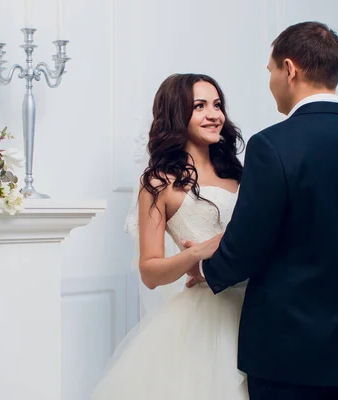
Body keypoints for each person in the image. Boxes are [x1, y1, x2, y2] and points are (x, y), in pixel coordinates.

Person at [184, 21, 338, 399]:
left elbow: (247, 245)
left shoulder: (272, 145)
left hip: (285, 349)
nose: (270, 82)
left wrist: (203, 268)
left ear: (289, 69)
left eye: (270, 71)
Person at [90, 72, 249, 399]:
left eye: (217, 105)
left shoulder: (241, 174)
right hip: (207, 316)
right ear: (178, 114)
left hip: (257, 304)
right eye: (200, 106)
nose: (214, 115)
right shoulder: (158, 183)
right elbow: (149, 271)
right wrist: (195, 254)